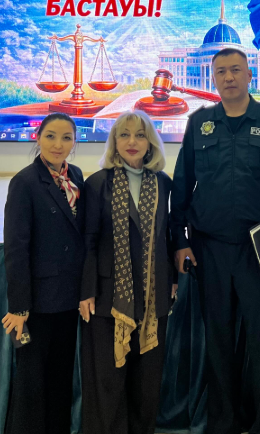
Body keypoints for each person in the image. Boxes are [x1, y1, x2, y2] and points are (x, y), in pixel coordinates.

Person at [171, 47, 260, 434]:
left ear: (250, 76)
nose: (229, 77)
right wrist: (180, 240)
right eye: (221, 71)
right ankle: (223, 424)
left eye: (236, 70)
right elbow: (181, 187)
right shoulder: (199, 123)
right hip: (210, 249)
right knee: (217, 341)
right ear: (213, 78)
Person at [79, 110, 175, 434]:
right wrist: (86, 291)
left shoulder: (163, 184)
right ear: (114, 141)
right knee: (107, 381)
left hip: (153, 297)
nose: (132, 141)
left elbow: (170, 236)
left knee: (147, 382)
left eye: (139, 134)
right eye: (124, 134)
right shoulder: (97, 183)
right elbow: (89, 241)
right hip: (107, 298)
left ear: (150, 143)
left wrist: (173, 281)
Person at [2, 113, 84, 434]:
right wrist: (19, 307)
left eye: (66, 137)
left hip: (68, 298)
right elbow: (16, 249)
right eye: (50, 136)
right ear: (38, 138)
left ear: (74, 142)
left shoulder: (75, 175)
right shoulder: (25, 182)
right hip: (36, 303)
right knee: (32, 383)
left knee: (61, 379)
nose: (58, 144)